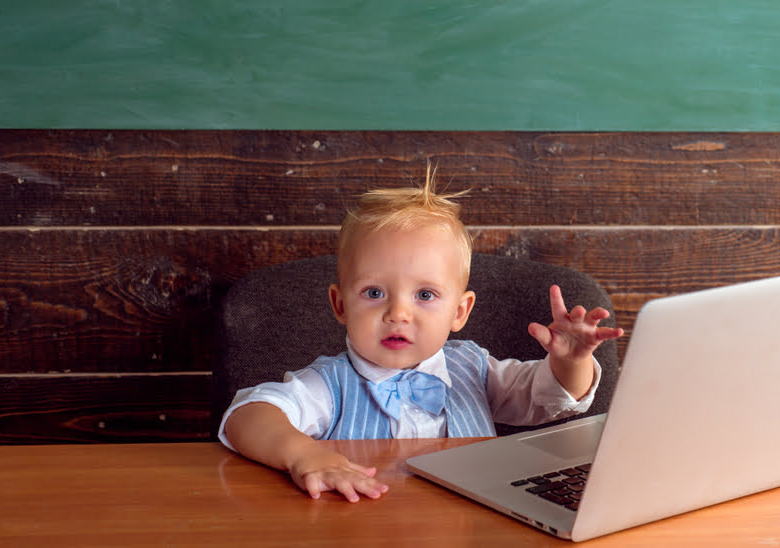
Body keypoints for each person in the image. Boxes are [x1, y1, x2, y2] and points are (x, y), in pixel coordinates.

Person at [219, 169, 624, 503]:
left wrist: (570, 362)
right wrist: (304, 454)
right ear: (340, 305)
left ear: (459, 312)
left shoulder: (477, 371)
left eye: (425, 295)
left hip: (466, 529)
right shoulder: (329, 385)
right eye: (374, 293)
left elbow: (550, 398)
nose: (398, 313)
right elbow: (246, 416)